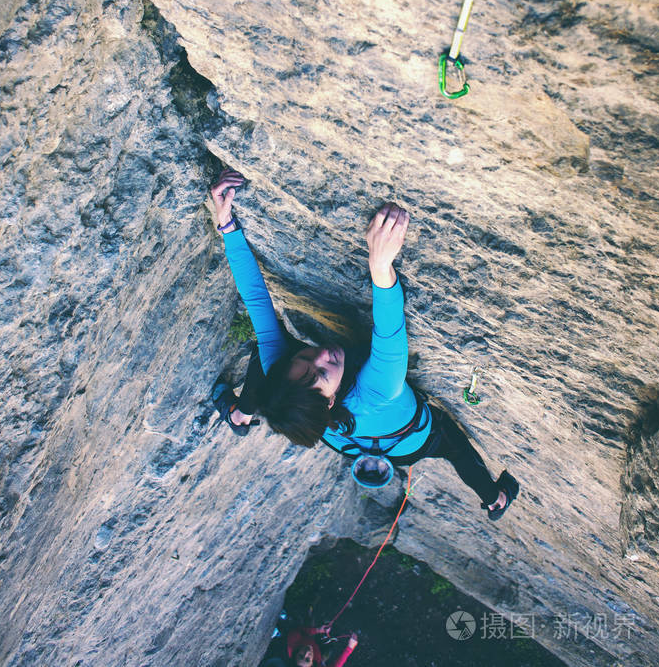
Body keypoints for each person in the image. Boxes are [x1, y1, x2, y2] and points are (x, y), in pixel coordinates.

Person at [210, 169, 519, 520]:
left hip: (347, 442)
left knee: (266, 362)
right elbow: (389, 331)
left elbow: (256, 300)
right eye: (323, 371)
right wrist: (380, 264)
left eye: (307, 356)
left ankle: (242, 414)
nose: (324, 353)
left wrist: (226, 224)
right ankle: (495, 498)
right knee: (455, 449)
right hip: (409, 443)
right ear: (327, 402)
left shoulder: (290, 376)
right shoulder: (379, 389)